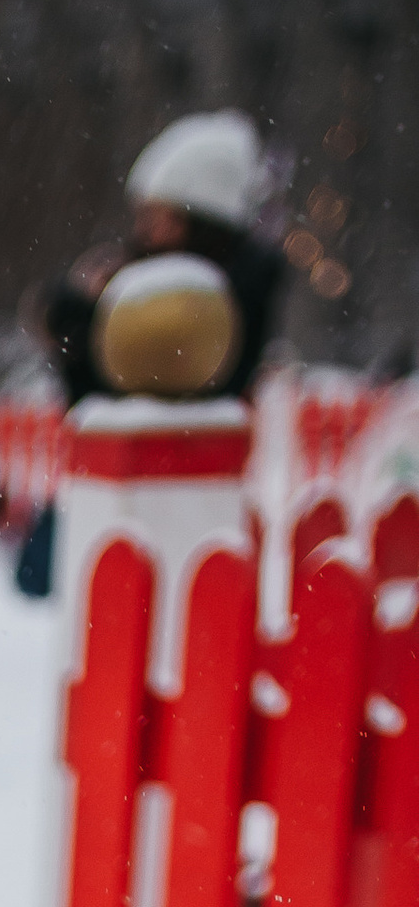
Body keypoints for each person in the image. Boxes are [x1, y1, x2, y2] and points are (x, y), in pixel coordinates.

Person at [16, 111, 286, 595]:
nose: (142, 230)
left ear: (196, 221)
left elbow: (133, 374)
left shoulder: (200, 298)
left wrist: (86, 316)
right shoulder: (167, 277)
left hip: (171, 478)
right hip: (141, 477)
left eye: (157, 217)